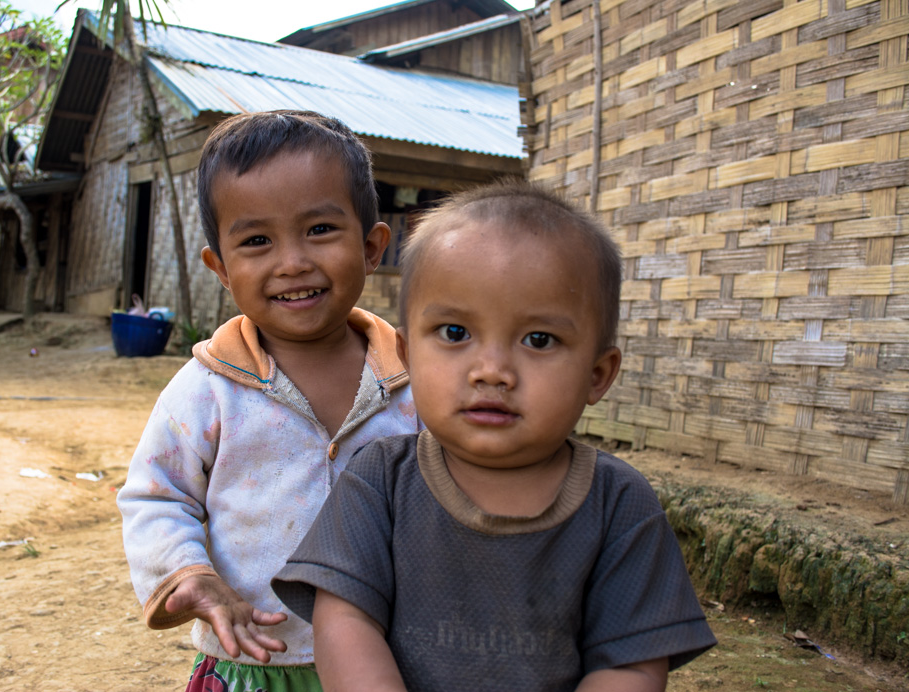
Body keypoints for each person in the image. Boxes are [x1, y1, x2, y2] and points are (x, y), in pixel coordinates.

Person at [272, 181, 717, 692]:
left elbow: (632, 665)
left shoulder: (618, 505)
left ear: (597, 375)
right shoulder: (380, 482)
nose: (492, 371)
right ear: (407, 356)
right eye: (456, 333)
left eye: (539, 340)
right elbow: (344, 622)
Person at [117, 110, 420, 692]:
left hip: (391, 663)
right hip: (256, 659)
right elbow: (157, 496)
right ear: (221, 269)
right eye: (257, 241)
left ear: (374, 245)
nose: (292, 262)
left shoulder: (416, 380)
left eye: (321, 231)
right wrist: (189, 573)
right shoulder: (206, 389)